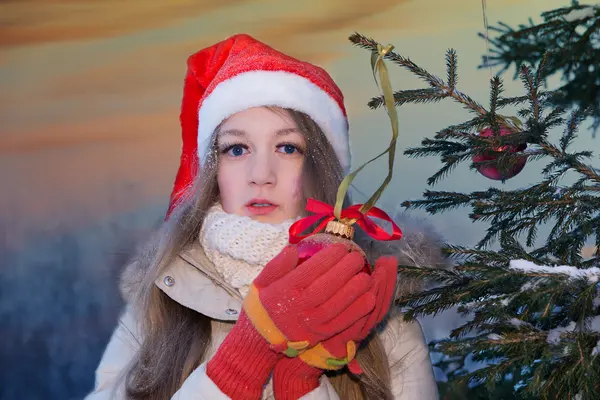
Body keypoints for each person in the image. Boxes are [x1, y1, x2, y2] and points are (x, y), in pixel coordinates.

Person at [85, 33, 443, 400]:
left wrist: (301, 382)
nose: (261, 174)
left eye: (288, 147)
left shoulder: (381, 314)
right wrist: (237, 367)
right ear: (214, 170)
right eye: (237, 149)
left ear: (320, 169)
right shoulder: (161, 297)